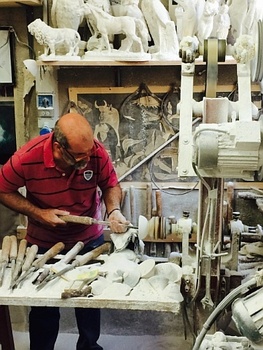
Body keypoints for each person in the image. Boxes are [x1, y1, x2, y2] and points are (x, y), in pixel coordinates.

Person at [0, 112, 129, 350]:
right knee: (43, 306)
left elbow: (110, 184)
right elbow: (3, 189)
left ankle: (89, 346)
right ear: (58, 148)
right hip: (43, 241)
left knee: (88, 303)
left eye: (90, 152)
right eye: (80, 156)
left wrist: (114, 211)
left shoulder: (95, 153)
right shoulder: (27, 158)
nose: (88, 158)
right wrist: (39, 213)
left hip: (89, 240)